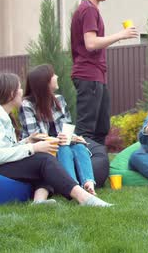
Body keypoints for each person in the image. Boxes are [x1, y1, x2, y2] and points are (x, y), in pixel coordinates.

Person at [0, 72, 112, 207]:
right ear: (10, 93)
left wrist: (28, 141)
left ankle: (39, 202)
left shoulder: (0, 114)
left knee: (44, 159)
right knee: (43, 160)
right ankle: (84, 198)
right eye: (19, 88)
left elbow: (5, 148)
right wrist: (34, 148)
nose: (22, 91)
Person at [70, 0, 138, 187]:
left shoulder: (92, 10)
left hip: (97, 75)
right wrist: (121, 35)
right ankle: (81, 178)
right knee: (86, 131)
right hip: (88, 75)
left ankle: (96, 176)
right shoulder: (88, 10)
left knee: (100, 128)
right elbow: (90, 44)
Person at [19, 64, 97, 195]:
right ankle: (73, 187)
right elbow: (35, 136)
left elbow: (66, 127)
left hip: (60, 143)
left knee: (79, 146)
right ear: (45, 82)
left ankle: (89, 183)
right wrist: (58, 140)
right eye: (53, 75)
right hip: (40, 148)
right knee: (64, 148)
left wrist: (72, 137)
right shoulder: (27, 105)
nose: (57, 76)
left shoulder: (59, 100)